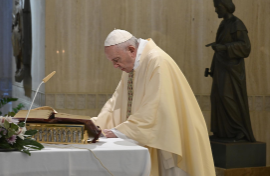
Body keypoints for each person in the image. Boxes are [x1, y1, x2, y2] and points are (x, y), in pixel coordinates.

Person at [92, 29, 215, 176]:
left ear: (132, 50)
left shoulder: (157, 61)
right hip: (154, 141)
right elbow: (115, 104)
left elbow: (155, 109)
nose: (115, 66)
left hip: (171, 143)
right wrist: (94, 125)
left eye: (116, 60)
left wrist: (118, 131)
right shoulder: (132, 67)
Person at [209, 0, 255, 142]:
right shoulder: (224, 24)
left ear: (226, 6)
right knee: (217, 97)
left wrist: (224, 47)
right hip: (221, 67)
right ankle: (223, 131)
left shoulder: (237, 24)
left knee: (228, 97)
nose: (216, 10)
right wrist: (212, 69)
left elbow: (245, 47)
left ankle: (238, 129)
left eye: (218, 7)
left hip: (232, 70)